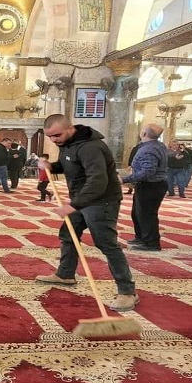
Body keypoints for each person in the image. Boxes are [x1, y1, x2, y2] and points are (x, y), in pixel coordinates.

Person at [35, 114, 138, 312]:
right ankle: (65, 274)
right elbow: (70, 165)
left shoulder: (91, 147)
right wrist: (52, 166)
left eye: (57, 135)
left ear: (70, 128)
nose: (54, 140)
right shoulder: (68, 144)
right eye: (50, 137)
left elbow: (98, 181)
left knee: (106, 243)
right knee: (68, 234)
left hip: (101, 200)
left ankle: (127, 292)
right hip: (80, 199)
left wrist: (74, 205)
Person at [121, 124, 168, 252]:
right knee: (138, 213)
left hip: (150, 185)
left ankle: (151, 243)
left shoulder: (149, 149)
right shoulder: (157, 146)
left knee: (146, 215)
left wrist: (125, 179)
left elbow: (147, 172)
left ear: (144, 133)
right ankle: (141, 237)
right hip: (151, 184)